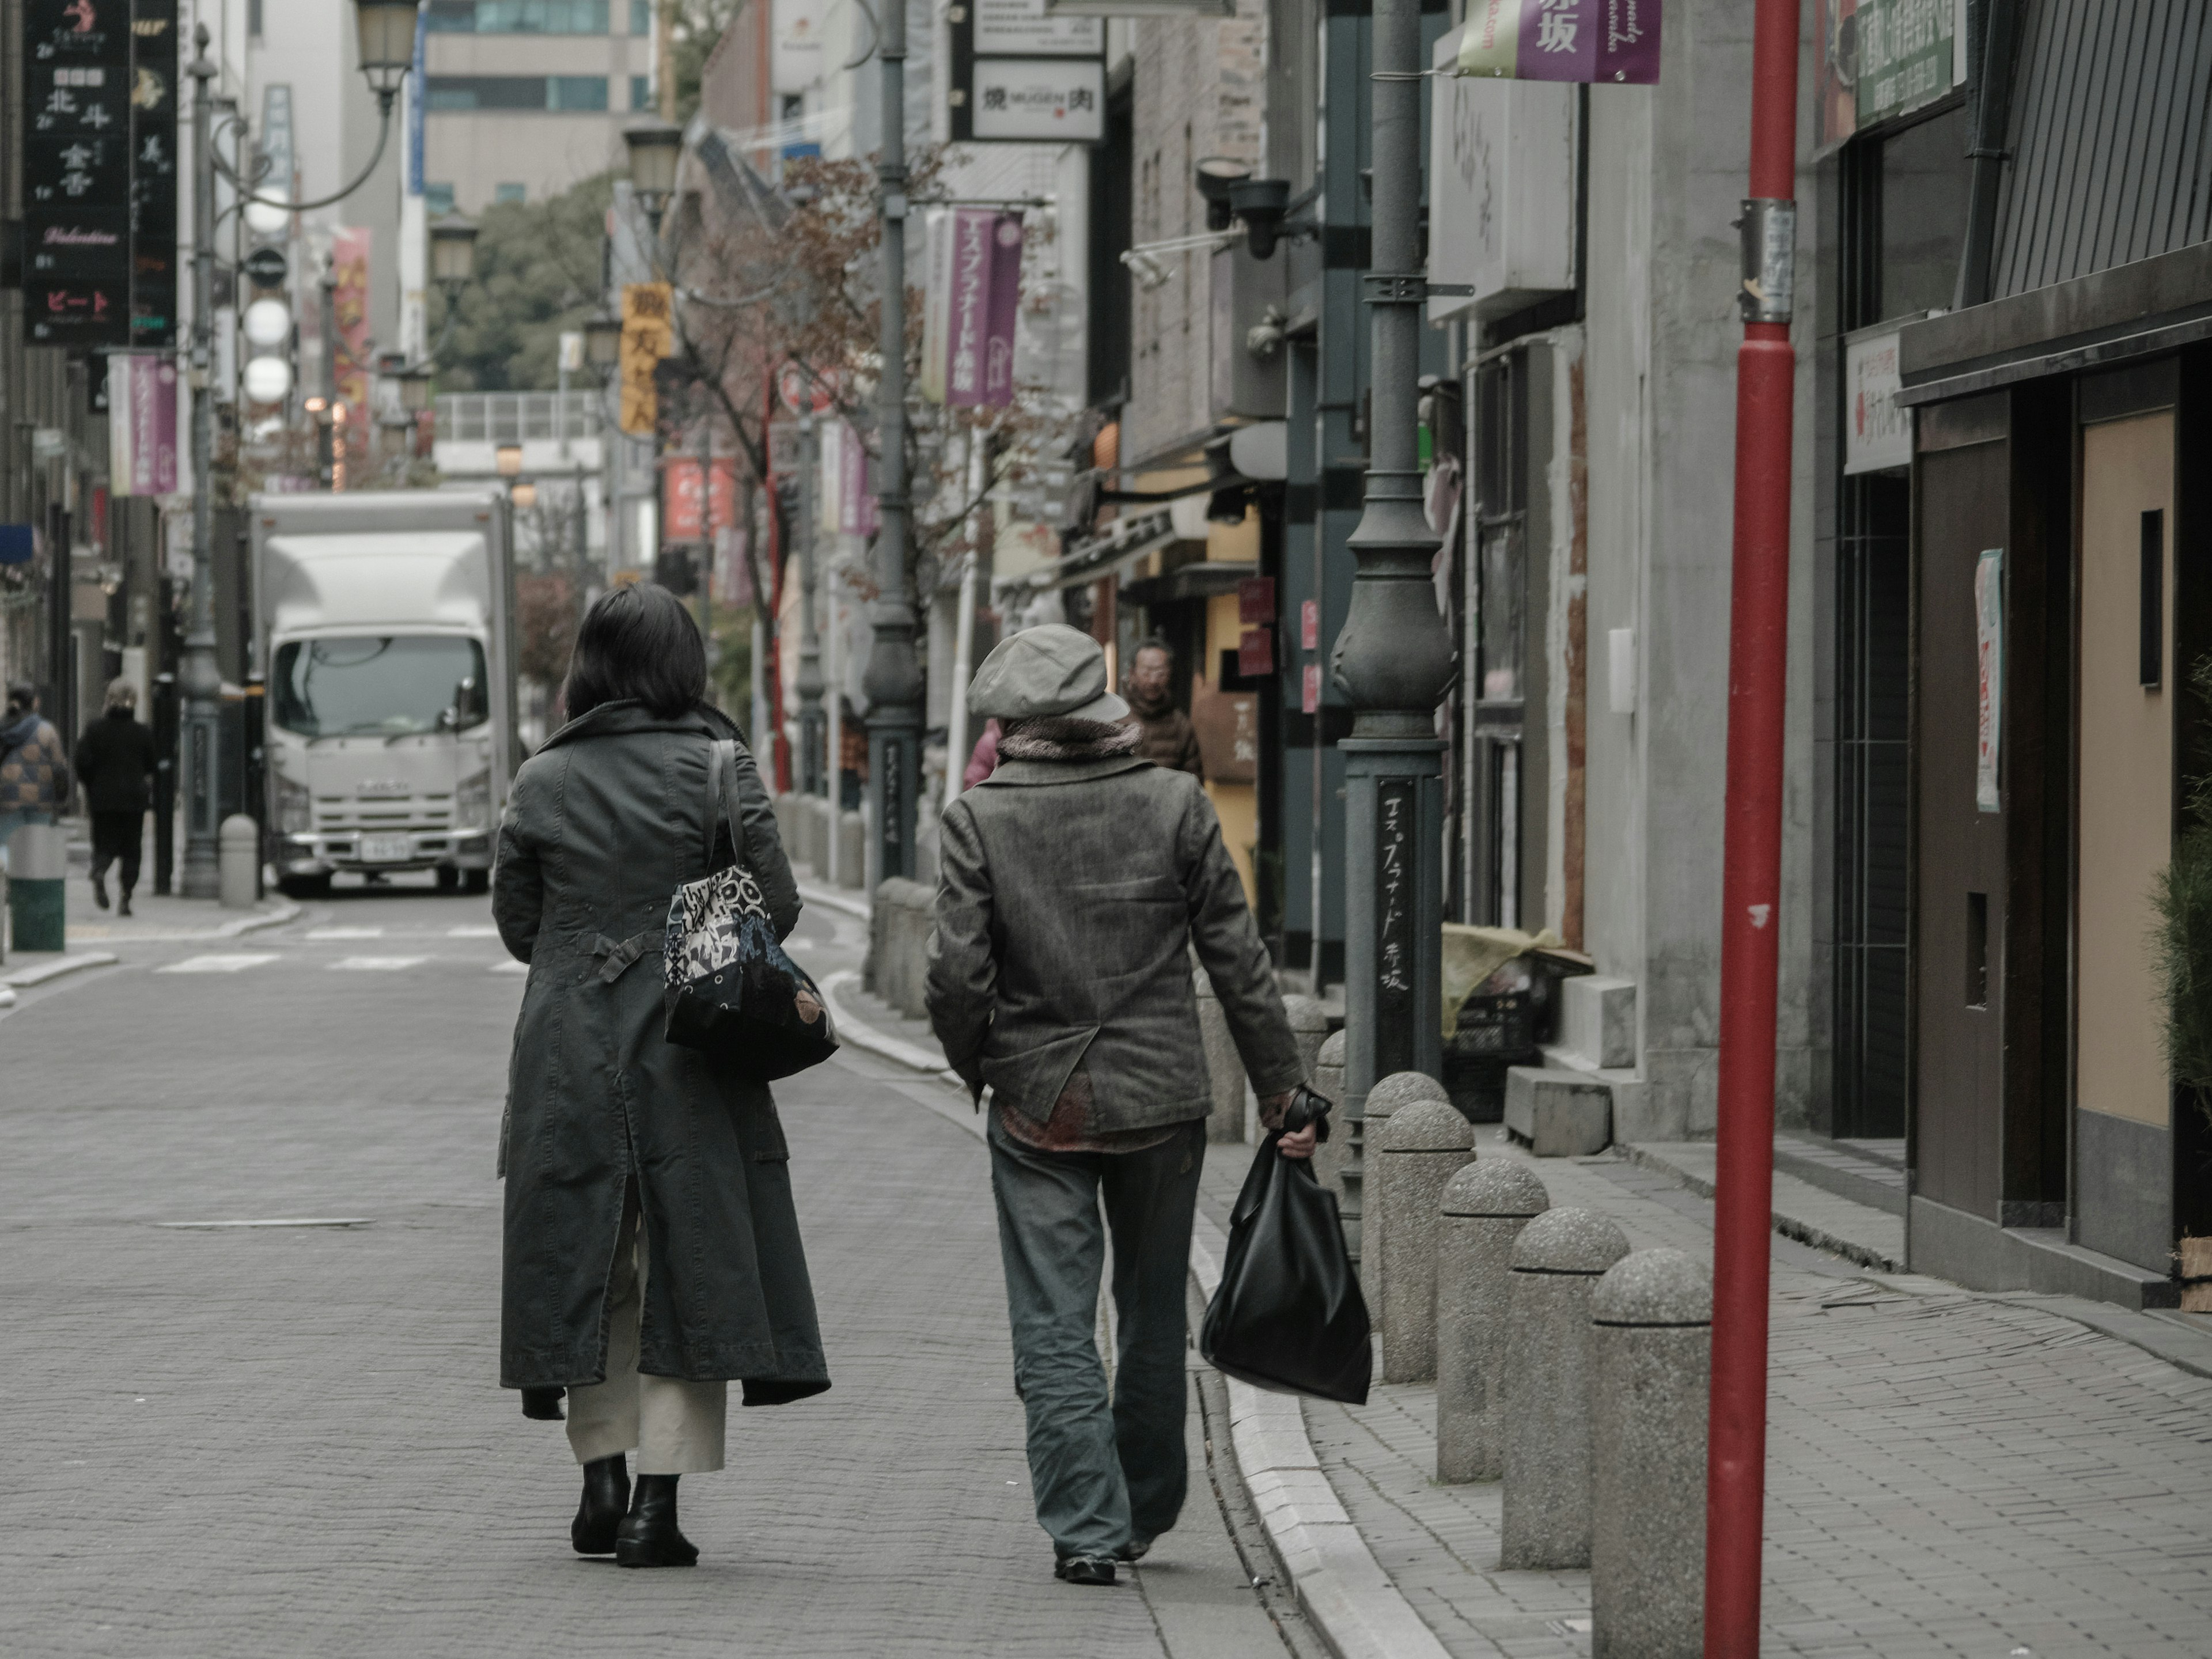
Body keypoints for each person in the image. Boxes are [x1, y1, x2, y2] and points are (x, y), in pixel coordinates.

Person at [926, 623, 1314, 1588]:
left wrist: (978, 1064)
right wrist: (1280, 1090)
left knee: (1054, 1324)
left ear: (1012, 723)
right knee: (1149, 1313)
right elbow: (1238, 959)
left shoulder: (980, 820)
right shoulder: (1176, 803)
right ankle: (1143, 1504)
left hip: (1036, 1104)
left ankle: (1086, 1527)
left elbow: (955, 977)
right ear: (1102, 705)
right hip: (1162, 1098)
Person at [493, 582, 829, 1570]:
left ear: (589, 666)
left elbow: (520, 926)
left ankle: (598, 1475)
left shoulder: (540, 781)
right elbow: (777, 904)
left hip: (567, 1046)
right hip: (690, 1046)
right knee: (691, 1265)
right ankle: (656, 1507)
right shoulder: (718, 765)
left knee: (592, 1257)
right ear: (682, 665)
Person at [73, 677, 156, 915]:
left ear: (108, 700)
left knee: (104, 844)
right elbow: (152, 764)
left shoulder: (94, 730)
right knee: (132, 850)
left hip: (103, 800)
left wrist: (92, 784)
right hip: (133, 801)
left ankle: (100, 868)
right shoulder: (142, 733)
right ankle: (126, 898)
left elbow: (82, 762)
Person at [0, 681, 70, 869]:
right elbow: (59, 768)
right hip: (42, 799)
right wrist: (62, 797)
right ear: (35, 703)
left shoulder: (2, 728)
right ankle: (31, 885)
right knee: (36, 847)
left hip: (7, 797)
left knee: (5, 843)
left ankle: (5, 876)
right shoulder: (47, 730)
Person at [1119, 637, 1203, 779]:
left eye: (1160, 673)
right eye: (1147, 673)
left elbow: (1193, 782)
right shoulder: (1117, 719)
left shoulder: (1181, 725)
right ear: (1132, 674)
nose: (1153, 681)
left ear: (1170, 674)